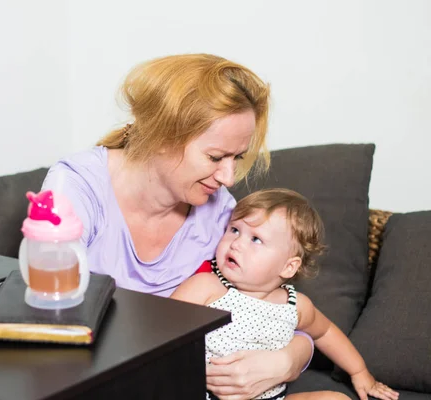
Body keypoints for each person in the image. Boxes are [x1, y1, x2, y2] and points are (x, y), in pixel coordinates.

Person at [41, 53, 313, 399]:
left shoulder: (219, 213)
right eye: (216, 157)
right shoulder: (78, 188)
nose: (228, 177)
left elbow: (271, 309)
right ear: (163, 137)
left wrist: (289, 359)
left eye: (237, 158)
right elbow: (48, 317)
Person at [171, 188, 400, 400]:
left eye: (256, 239)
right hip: (207, 395)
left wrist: (359, 371)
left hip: (272, 397)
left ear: (288, 267)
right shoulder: (206, 287)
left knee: (337, 399)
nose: (236, 244)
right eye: (234, 230)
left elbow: (326, 332)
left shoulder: (296, 305)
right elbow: (160, 334)